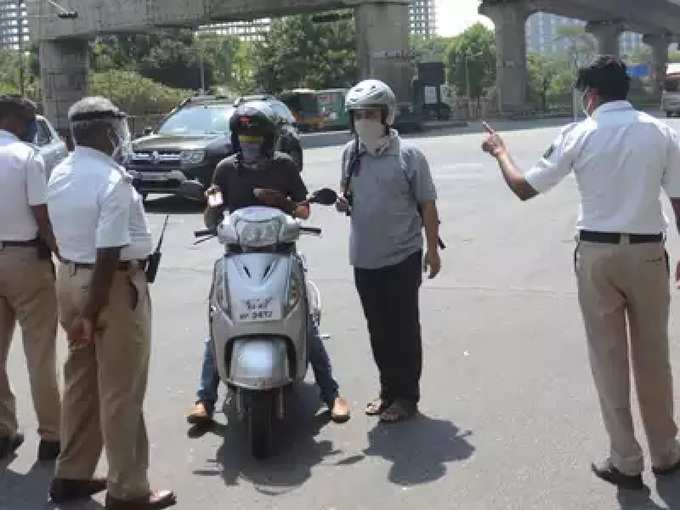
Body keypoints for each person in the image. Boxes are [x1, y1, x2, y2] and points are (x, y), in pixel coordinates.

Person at [482, 56, 680, 490]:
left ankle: (626, 462)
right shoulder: (660, 133)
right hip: (649, 256)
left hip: (597, 256)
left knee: (608, 359)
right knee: (654, 359)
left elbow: (524, 187)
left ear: (590, 95)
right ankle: (666, 454)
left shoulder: (579, 133)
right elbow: (679, 198)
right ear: (624, 90)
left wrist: (501, 152)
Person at [46, 97, 176, 509]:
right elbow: (108, 251)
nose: (122, 136)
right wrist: (91, 312)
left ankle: (71, 473)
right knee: (122, 390)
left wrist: (81, 309)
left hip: (69, 278)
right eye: (117, 128)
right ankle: (129, 491)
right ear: (105, 132)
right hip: (111, 288)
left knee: (82, 383)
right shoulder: (111, 180)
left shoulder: (61, 171)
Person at [186, 101, 351, 425]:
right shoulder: (225, 169)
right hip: (237, 256)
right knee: (220, 319)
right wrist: (212, 200)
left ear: (268, 139)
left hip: (281, 253)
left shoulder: (284, 166)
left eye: (256, 138)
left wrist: (283, 201)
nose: (249, 144)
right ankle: (205, 398)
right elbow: (211, 221)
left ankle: (331, 393)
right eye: (243, 138)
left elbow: (304, 211)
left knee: (304, 322)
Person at [336, 80, 441, 423]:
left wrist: (432, 251)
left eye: (370, 114)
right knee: (377, 329)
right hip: (364, 258)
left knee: (403, 329)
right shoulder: (350, 154)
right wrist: (341, 199)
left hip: (402, 255)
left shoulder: (410, 156)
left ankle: (407, 396)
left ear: (387, 116)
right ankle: (387, 392)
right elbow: (348, 192)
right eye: (357, 115)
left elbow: (427, 204)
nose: (363, 121)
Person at [0, 95, 61, 461]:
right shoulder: (26, 157)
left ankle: (2, 430)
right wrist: (61, 254)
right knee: (40, 353)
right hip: (25, 260)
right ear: (18, 121)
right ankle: (52, 436)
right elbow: (41, 216)